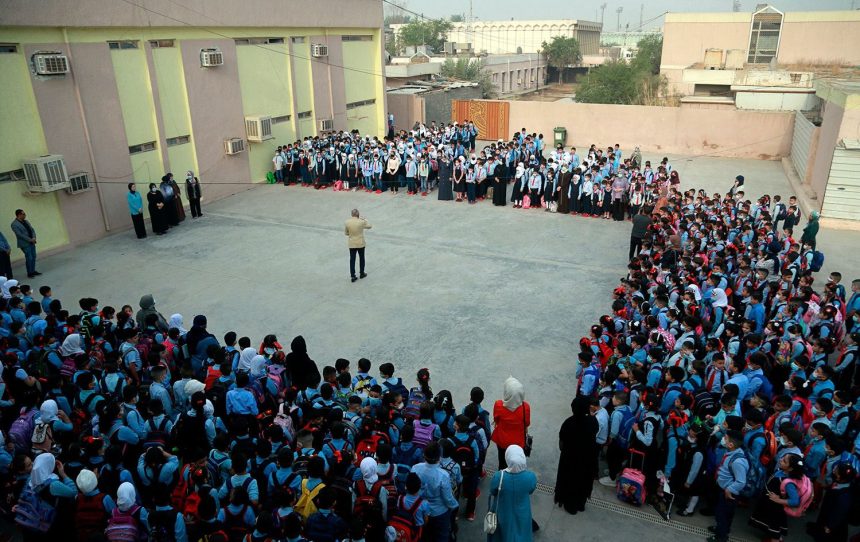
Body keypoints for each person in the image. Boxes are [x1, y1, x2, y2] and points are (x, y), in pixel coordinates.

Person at [554, 395, 598, 515]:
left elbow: (562, 441)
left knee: (570, 479)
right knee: (583, 479)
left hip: (570, 458)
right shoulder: (592, 421)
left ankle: (570, 504)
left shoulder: (569, 423)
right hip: (587, 458)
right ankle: (580, 503)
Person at [487, 445, 538, 542]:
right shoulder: (530, 477)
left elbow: (493, 491)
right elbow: (531, 490)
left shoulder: (498, 476)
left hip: (502, 511)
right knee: (521, 532)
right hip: (523, 512)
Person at [491, 376, 530, 470]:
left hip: (502, 441)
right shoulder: (525, 407)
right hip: (518, 442)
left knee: (502, 462)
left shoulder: (499, 405)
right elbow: (527, 423)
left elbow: (496, 419)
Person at [344, 209, 371, 283]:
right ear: (358, 214)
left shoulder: (347, 222)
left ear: (351, 214)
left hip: (352, 243)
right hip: (360, 243)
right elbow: (369, 226)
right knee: (361, 258)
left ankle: (353, 276)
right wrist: (365, 219)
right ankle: (362, 273)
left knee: (352, 260)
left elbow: (346, 233)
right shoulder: (361, 222)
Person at [11, 209, 40, 278]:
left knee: (33, 256)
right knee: (29, 257)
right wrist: (30, 240)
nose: (25, 215)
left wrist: (34, 237)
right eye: (23, 214)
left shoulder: (26, 221)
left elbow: (32, 229)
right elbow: (19, 234)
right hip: (25, 244)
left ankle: (33, 270)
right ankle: (29, 273)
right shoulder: (14, 224)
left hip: (32, 242)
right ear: (19, 215)